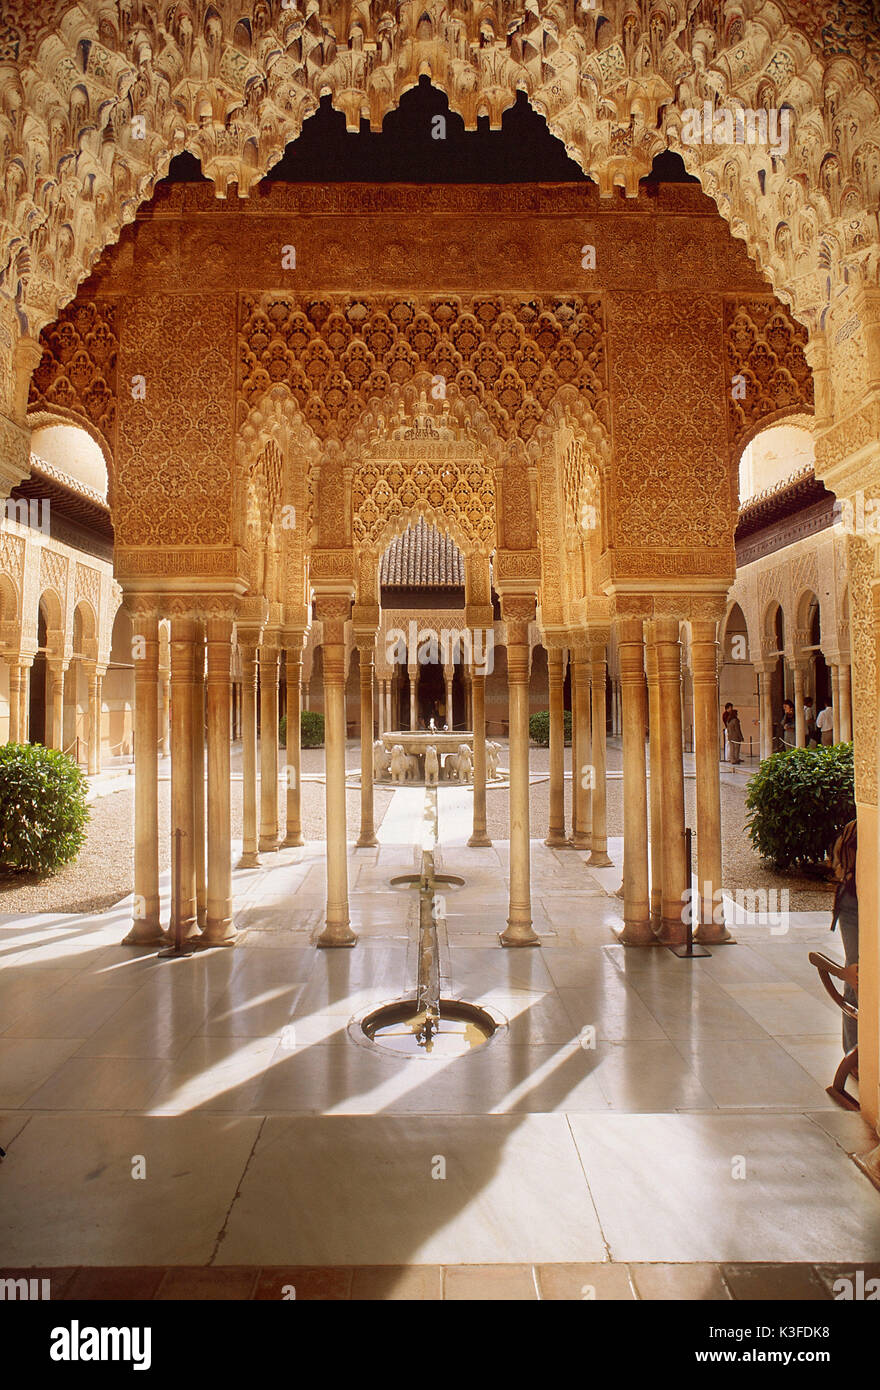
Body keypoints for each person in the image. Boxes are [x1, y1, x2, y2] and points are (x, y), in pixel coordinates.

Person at [830, 819, 858, 1056]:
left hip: (853, 902)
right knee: (857, 973)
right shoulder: (860, 829)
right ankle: (854, 1053)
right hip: (854, 905)